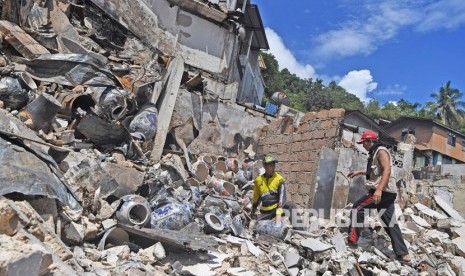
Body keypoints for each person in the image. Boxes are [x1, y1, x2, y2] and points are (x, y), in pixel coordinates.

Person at [347, 130, 411, 263]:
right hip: (388, 192)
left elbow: (387, 169)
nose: (363, 145)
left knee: (358, 207)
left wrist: (379, 190)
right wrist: (359, 172)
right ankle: (403, 253)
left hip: (383, 191)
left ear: (369, 141)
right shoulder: (374, 153)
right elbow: (376, 171)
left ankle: (352, 240)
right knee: (389, 222)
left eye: (363, 143)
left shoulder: (381, 151)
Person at [250, 155, 297, 225]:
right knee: (256, 226)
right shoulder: (258, 180)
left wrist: (278, 213)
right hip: (265, 211)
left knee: (290, 205)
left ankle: (299, 231)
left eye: (274, 165)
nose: (273, 168)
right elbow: (256, 198)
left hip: (276, 208)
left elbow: (282, 197)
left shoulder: (279, 179)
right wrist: (253, 211)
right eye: (270, 166)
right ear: (265, 166)